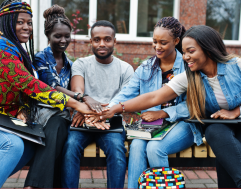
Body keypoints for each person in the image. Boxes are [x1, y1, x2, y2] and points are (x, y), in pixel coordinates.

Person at [91, 25, 241, 188]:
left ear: (208, 50)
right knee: (213, 131)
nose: (186, 56)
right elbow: (154, 97)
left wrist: (236, 112)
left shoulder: (237, 66)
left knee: (227, 160)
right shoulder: (190, 77)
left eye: (191, 51)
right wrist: (115, 109)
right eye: (185, 52)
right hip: (223, 127)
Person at [0, 1, 95, 188]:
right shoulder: (0, 46)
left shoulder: (17, 48)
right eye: (20, 22)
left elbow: (23, 92)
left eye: (29, 23)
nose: (26, 27)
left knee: (31, 145)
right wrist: (76, 104)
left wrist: (23, 109)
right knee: (11, 145)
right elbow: (30, 85)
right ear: (6, 23)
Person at [108, 17, 202, 188]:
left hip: (184, 123)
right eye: (154, 41)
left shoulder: (189, 66)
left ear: (176, 41)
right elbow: (125, 95)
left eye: (163, 43)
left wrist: (165, 112)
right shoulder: (146, 67)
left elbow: (196, 104)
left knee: (154, 148)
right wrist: (105, 111)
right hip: (153, 125)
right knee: (136, 145)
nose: (157, 47)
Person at [61, 20, 134, 188]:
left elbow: (124, 99)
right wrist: (86, 102)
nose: (102, 44)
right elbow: (77, 90)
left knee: (117, 151)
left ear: (115, 41)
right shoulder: (81, 64)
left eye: (107, 39)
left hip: (111, 122)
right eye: (97, 39)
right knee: (70, 148)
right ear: (91, 42)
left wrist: (92, 111)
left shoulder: (125, 69)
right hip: (82, 121)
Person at [23, 4, 81, 188]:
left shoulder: (70, 64)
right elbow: (51, 87)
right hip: (41, 114)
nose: (63, 40)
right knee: (56, 130)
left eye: (66, 36)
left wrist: (77, 99)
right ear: (48, 36)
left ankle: (33, 185)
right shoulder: (41, 58)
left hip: (61, 115)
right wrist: (81, 97)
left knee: (58, 129)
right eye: (58, 36)